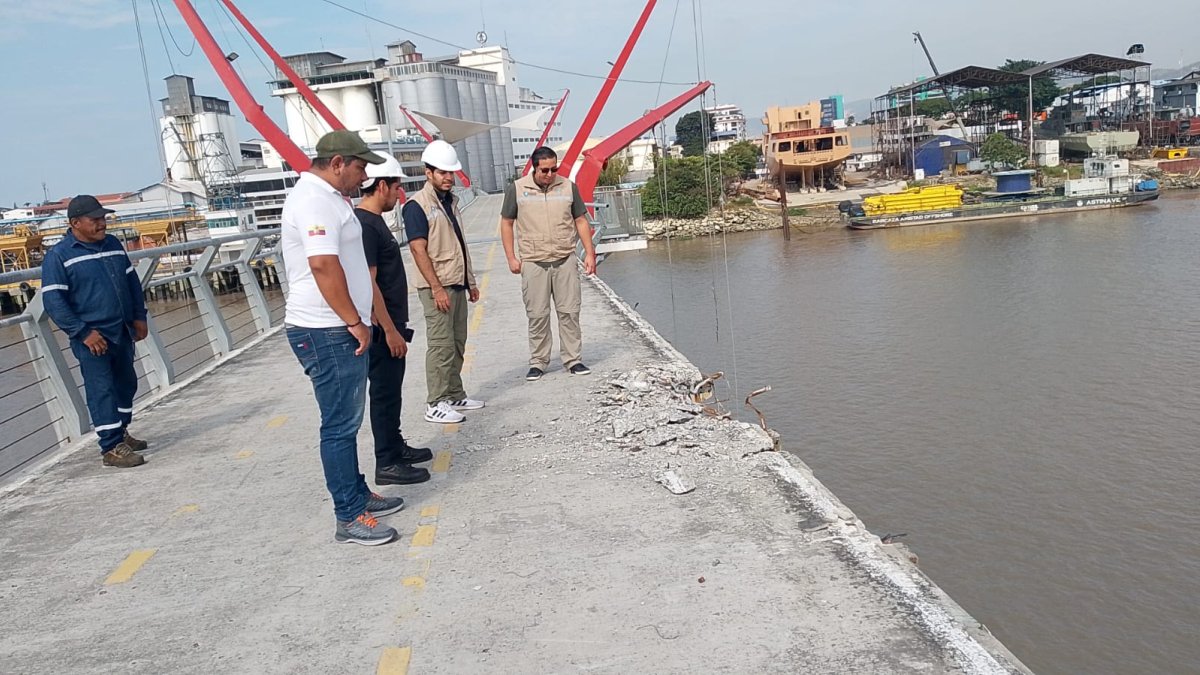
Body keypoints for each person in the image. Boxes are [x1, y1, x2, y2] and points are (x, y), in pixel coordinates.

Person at [281, 130, 404, 546]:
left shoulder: (332, 198)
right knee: (339, 425)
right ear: (337, 164)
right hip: (325, 329)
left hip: (334, 326)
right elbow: (322, 265)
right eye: (360, 167)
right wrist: (353, 320)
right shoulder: (313, 200)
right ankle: (348, 516)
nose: (364, 176)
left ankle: (357, 493)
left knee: (347, 422)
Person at [40, 195, 151, 468]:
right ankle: (111, 447)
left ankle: (120, 431)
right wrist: (82, 333)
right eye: (95, 219)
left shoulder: (112, 244)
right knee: (101, 389)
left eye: (103, 218)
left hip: (121, 329)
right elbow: (53, 301)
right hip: (92, 337)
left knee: (127, 383)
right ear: (75, 223)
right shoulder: (59, 256)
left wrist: (139, 316)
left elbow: (132, 283)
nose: (102, 223)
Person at [356, 153, 432, 485]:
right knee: (384, 393)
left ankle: (395, 445)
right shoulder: (365, 225)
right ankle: (386, 462)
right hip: (382, 327)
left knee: (393, 390)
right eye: (397, 186)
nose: (399, 194)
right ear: (382, 185)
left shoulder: (374, 222)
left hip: (392, 322)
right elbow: (369, 282)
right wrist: (388, 330)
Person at [499, 146, 598, 381]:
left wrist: (590, 253)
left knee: (569, 312)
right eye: (545, 170)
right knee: (537, 315)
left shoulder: (567, 187)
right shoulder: (518, 189)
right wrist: (511, 257)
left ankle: (573, 359)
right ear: (534, 168)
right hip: (534, 261)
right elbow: (506, 223)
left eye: (554, 169)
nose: (550, 174)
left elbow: (581, 220)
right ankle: (538, 361)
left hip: (564, 259)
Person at [402, 140, 484, 425]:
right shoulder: (418, 206)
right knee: (441, 345)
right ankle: (435, 403)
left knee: (458, 341)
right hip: (437, 286)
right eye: (442, 172)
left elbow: (458, 243)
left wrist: (470, 281)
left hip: (457, 282)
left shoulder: (451, 202)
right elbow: (418, 249)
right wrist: (436, 288)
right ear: (429, 173)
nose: (448, 177)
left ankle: (454, 393)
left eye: (451, 172)